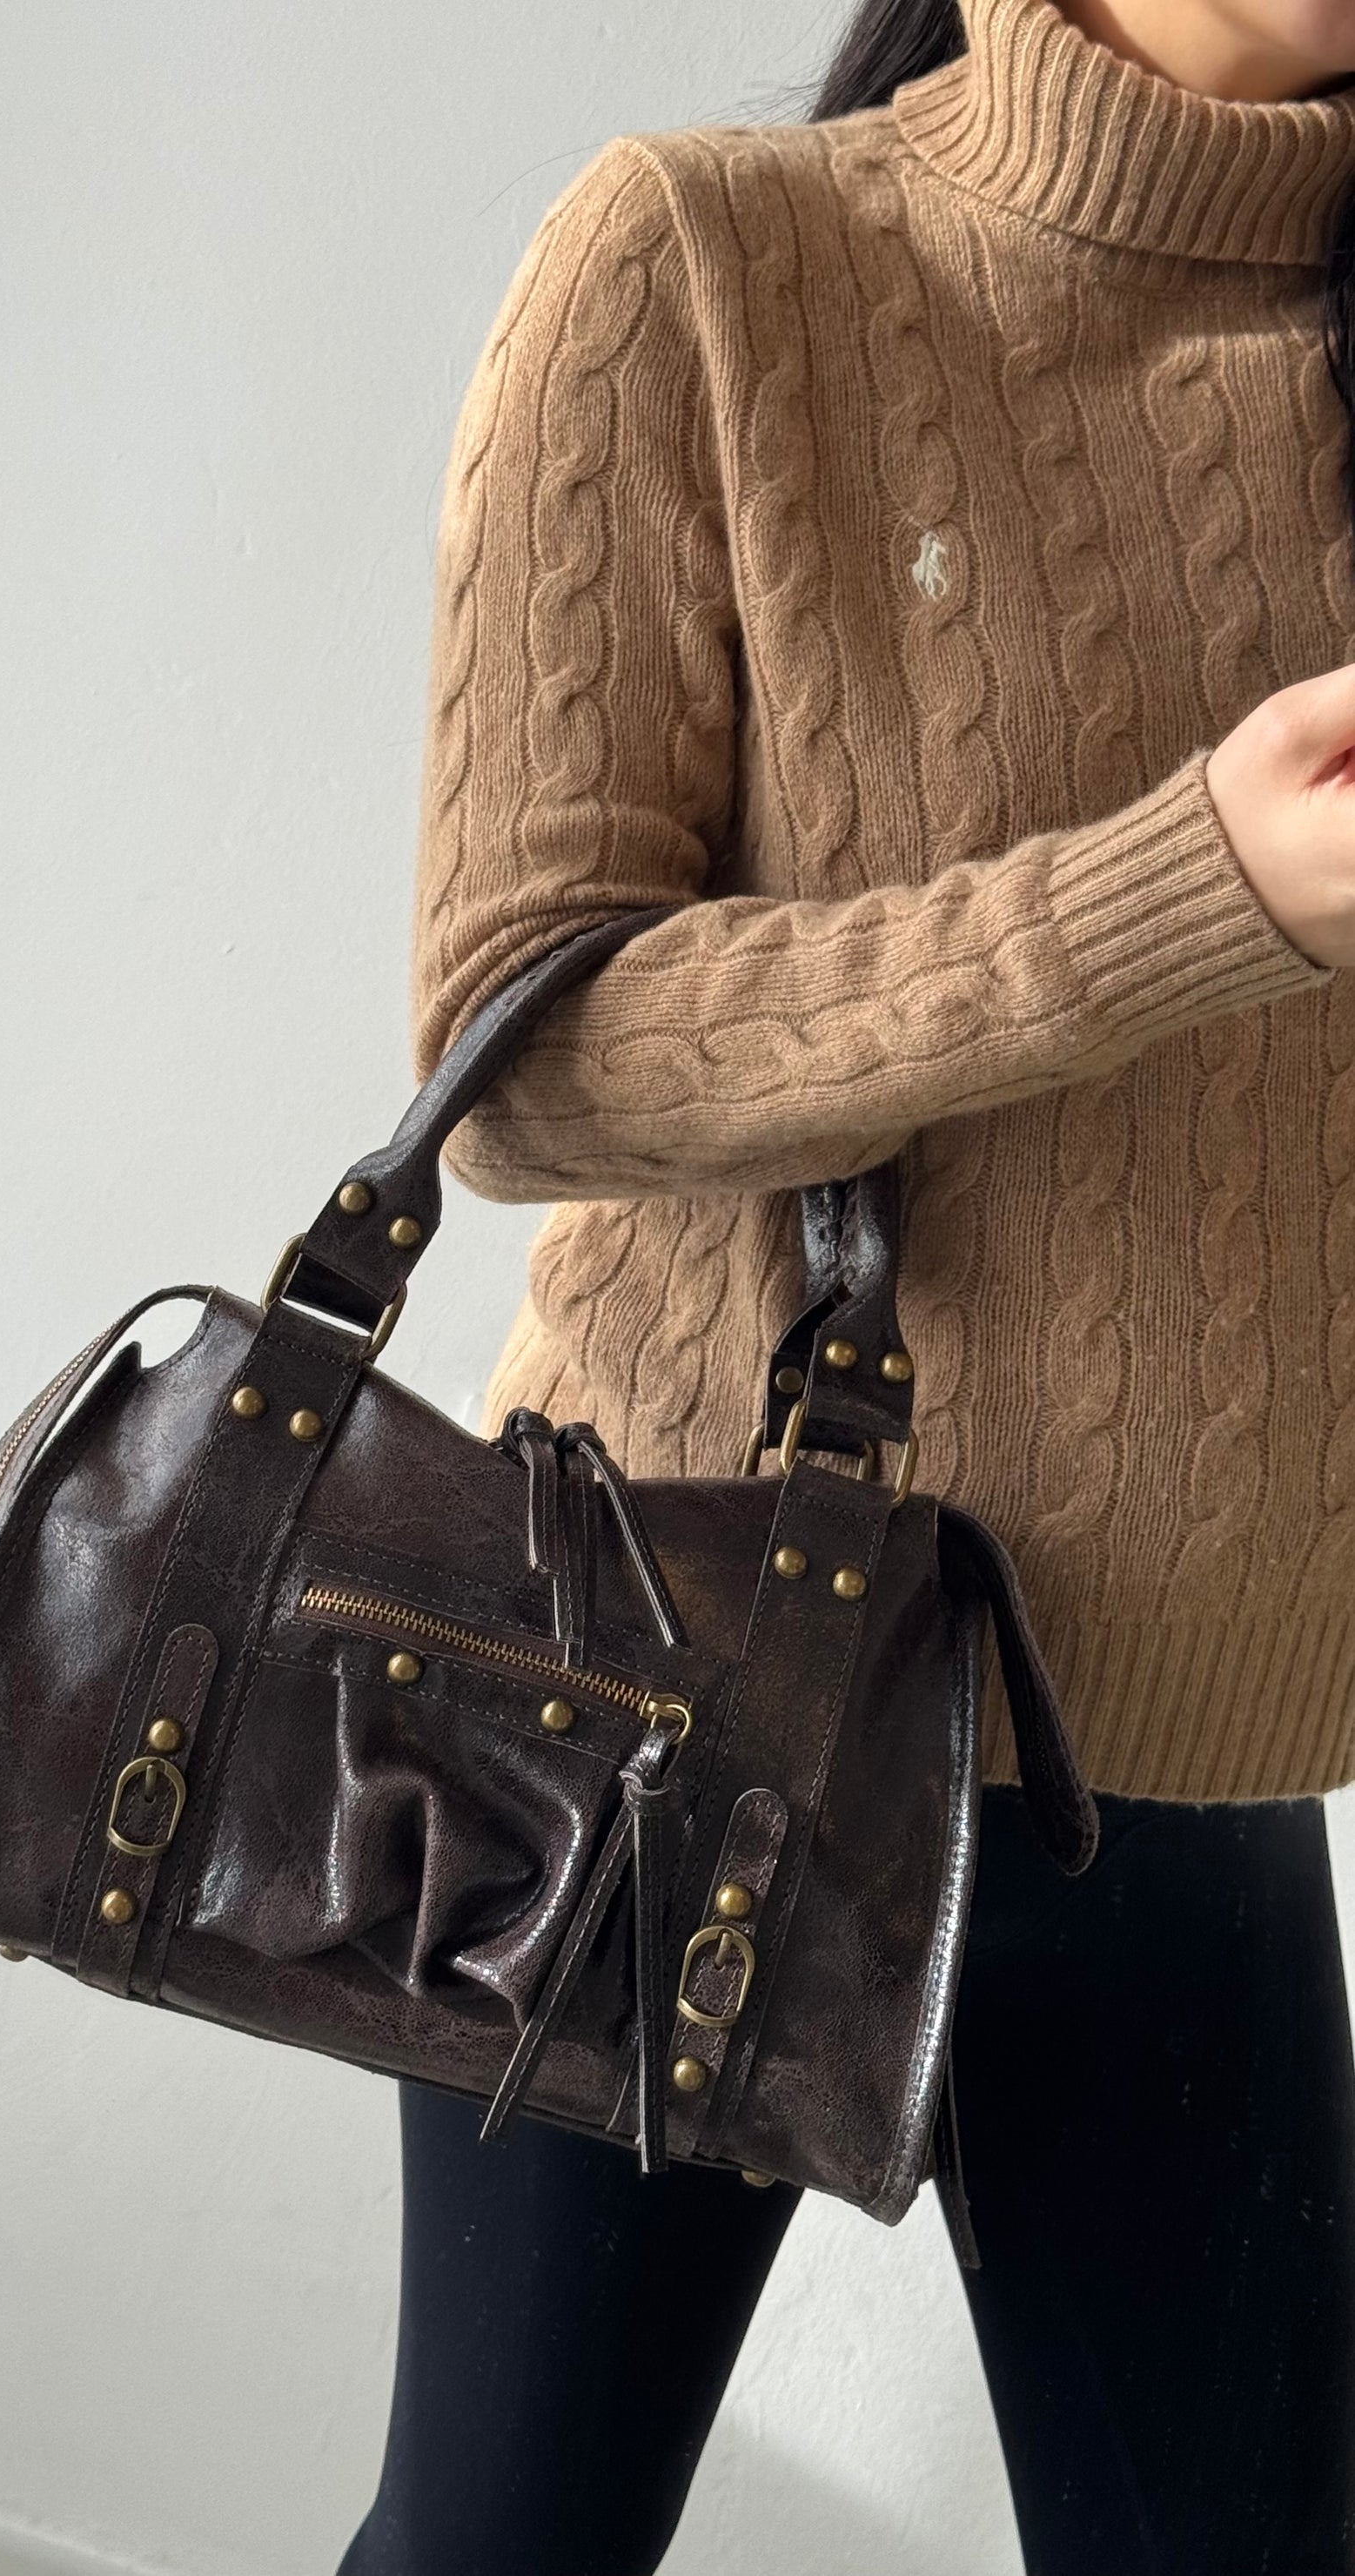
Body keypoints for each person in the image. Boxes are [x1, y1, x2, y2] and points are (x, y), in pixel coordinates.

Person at [339, 1, 1355, 2566]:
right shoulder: (704, 263)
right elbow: (527, 1052)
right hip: (668, 1689)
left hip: (1195, 1745)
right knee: (499, 2548)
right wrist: (1186, 893)